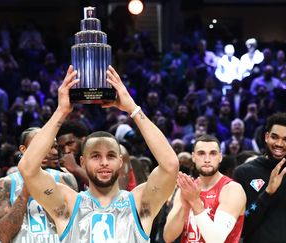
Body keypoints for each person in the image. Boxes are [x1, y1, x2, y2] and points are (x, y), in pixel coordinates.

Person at [17, 65, 179, 242]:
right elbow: (28, 168)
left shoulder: (140, 202)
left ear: (120, 161)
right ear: (83, 162)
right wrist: (61, 111)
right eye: (95, 156)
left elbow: (170, 166)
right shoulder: (68, 204)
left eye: (110, 156)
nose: (104, 162)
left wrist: (132, 108)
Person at [233, 112, 286, 243]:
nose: (279, 143)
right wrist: (267, 193)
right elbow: (241, 228)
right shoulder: (244, 172)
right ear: (266, 137)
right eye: (274, 137)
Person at [0, 127, 78, 243]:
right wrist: (24, 194)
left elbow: (75, 229)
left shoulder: (65, 179)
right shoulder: (6, 184)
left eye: (53, 146)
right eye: (41, 146)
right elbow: (4, 236)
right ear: (23, 149)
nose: (51, 152)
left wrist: (46, 190)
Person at [163, 134, 246, 243]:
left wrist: (194, 201)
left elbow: (216, 240)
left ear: (220, 157)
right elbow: (168, 237)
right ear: (193, 157)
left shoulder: (232, 189)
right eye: (201, 153)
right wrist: (185, 207)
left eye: (213, 153)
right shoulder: (187, 189)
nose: (207, 159)